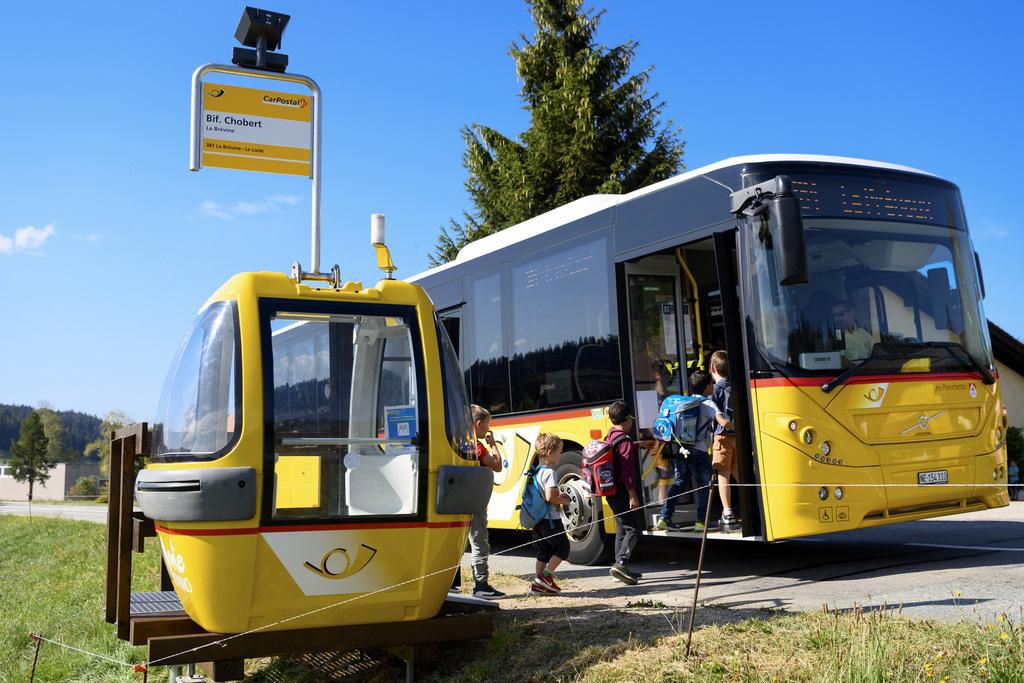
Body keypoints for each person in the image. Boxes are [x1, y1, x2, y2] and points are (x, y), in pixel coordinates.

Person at [656, 370, 715, 532]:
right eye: (712, 384)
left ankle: (664, 517)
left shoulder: (685, 402)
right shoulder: (707, 403)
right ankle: (701, 522)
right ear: (707, 387)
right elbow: (721, 420)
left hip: (680, 447)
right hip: (699, 451)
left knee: (680, 482)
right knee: (705, 485)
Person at [464, 404, 506, 599]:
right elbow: (497, 465)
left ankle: (454, 584)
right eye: (486, 426)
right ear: (478, 423)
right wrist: (493, 444)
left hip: (461, 496)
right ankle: (481, 584)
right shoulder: (476, 445)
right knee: (480, 541)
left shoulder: (459, 440)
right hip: (475, 499)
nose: (488, 430)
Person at [605, 400, 645, 585]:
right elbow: (627, 473)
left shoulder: (610, 437)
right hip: (623, 492)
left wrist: (638, 444)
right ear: (628, 419)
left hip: (611, 491)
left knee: (621, 528)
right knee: (634, 528)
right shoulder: (625, 441)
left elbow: (620, 451)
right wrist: (632, 495)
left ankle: (618, 567)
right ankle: (621, 563)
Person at [529, 433, 572, 594]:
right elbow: (550, 497)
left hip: (538, 519)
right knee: (563, 549)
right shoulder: (549, 472)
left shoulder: (536, 471)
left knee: (544, 551)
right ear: (549, 453)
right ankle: (546, 577)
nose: (560, 455)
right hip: (550, 519)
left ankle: (537, 583)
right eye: (559, 452)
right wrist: (566, 500)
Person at [710, 351, 739, 531]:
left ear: (712, 368)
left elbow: (714, 413)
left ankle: (727, 511)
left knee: (723, 474)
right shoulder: (735, 386)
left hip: (722, 436)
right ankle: (752, 504)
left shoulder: (716, 389)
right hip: (737, 436)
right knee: (738, 471)